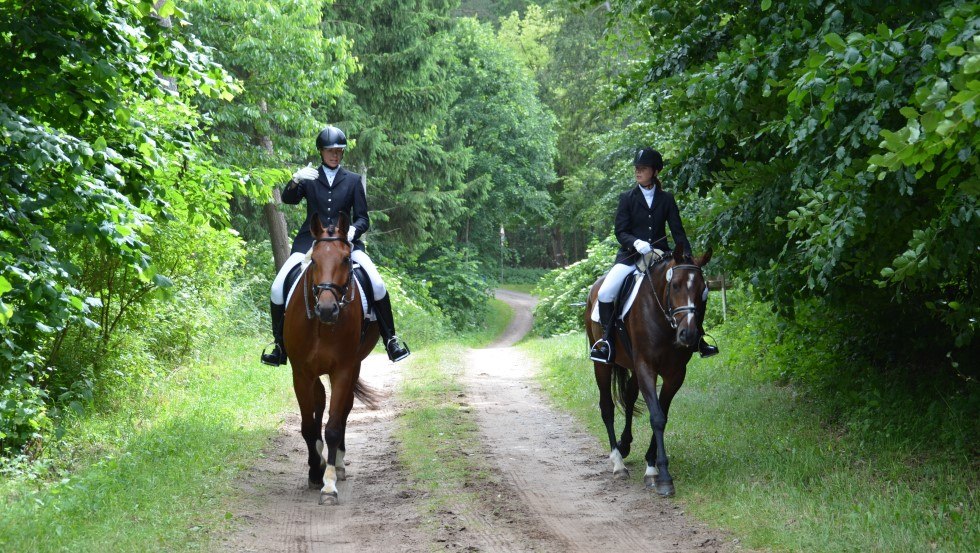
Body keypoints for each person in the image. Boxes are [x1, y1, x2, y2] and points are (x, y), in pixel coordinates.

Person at [261, 126, 411, 365]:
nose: (335, 155)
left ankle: (391, 340)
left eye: (339, 151)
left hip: (345, 243)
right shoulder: (310, 178)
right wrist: (295, 179)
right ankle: (279, 346)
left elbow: (363, 218)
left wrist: (353, 230)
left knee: (378, 283)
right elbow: (289, 200)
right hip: (310, 243)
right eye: (330, 150)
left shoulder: (352, 180)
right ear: (321, 152)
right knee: (277, 287)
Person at [589, 147, 719, 363]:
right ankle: (606, 343)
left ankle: (699, 338)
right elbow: (620, 231)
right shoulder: (627, 198)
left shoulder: (666, 199)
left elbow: (678, 232)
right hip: (631, 257)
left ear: (655, 172)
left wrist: (687, 258)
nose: (638, 171)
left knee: (701, 292)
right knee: (605, 292)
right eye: (637, 168)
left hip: (661, 256)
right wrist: (635, 243)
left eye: (643, 168)